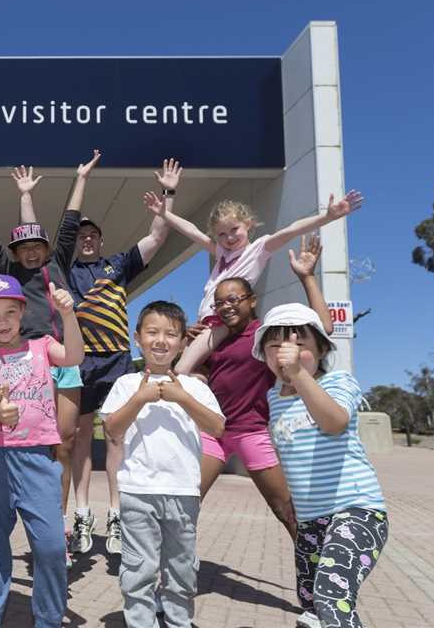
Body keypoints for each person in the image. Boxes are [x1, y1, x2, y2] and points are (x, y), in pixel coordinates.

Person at [0, 152, 99, 565]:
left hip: (60, 358)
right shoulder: (10, 274)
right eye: (24, 248)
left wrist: (80, 176)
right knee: (30, 440)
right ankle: (26, 515)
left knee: (63, 444)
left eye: (37, 247)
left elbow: (70, 220)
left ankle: (58, 525)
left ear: (47, 249)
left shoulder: (59, 264)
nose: (31, 254)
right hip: (22, 362)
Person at [68, 159, 179, 557]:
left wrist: (167, 195)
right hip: (78, 362)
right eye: (82, 235)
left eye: (93, 234)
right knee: (80, 438)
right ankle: (82, 515)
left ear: (101, 240)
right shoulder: (62, 271)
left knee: (116, 437)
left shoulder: (117, 264)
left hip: (116, 360)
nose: (88, 239)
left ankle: (116, 515)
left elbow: (157, 235)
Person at [254, 303, 387, 628]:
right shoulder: (274, 397)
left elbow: (335, 422)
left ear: (322, 349)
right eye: (276, 347)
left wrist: (299, 376)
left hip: (358, 512)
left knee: (330, 595)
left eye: (300, 346)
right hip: (310, 521)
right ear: (264, 355)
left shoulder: (339, 382)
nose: (287, 355)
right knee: (312, 605)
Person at [195, 235, 334, 542]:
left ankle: (316, 572)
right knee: (187, 503)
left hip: (252, 431)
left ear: (252, 301)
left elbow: (322, 327)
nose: (226, 306)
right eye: (220, 302)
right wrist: (191, 345)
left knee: (285, 508)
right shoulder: (215, 338)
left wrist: (307, 277)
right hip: (214, 431)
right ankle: (176, 570)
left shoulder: (265, 334)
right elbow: (208, 376)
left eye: (234, 299)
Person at [0, 274, 84, 628]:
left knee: (50, 545)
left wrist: (68, 315)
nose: (1, 322)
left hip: (37, 458)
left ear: (22, 312)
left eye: (9, 312)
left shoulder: (43, 346)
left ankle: (48, 618)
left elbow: (74, 355)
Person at [143, 189, 363, 374]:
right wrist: (165, 214)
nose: (229, 238)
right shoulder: (221, 253)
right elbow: (192, 231)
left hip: (220, 323)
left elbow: (291, 230)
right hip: (205, 322)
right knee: (197, 373)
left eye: (234, 230)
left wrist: (327, 217)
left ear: (248, 224)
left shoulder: (258, 249)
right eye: (221, 234)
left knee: (181, 370)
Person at [101, 301, 224, 628]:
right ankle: (141, 622)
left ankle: (177, 621)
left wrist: (182, 397)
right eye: (152, 332)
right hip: (137, 492)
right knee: (138, 568)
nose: (161, 340)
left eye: (171, 334)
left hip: (183, 492)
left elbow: (217, 427)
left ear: (184, 342)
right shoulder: (126, 385)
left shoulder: (196, 387)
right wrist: (140, 399)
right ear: (137, 338)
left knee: (181, 568)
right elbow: (111, 431)